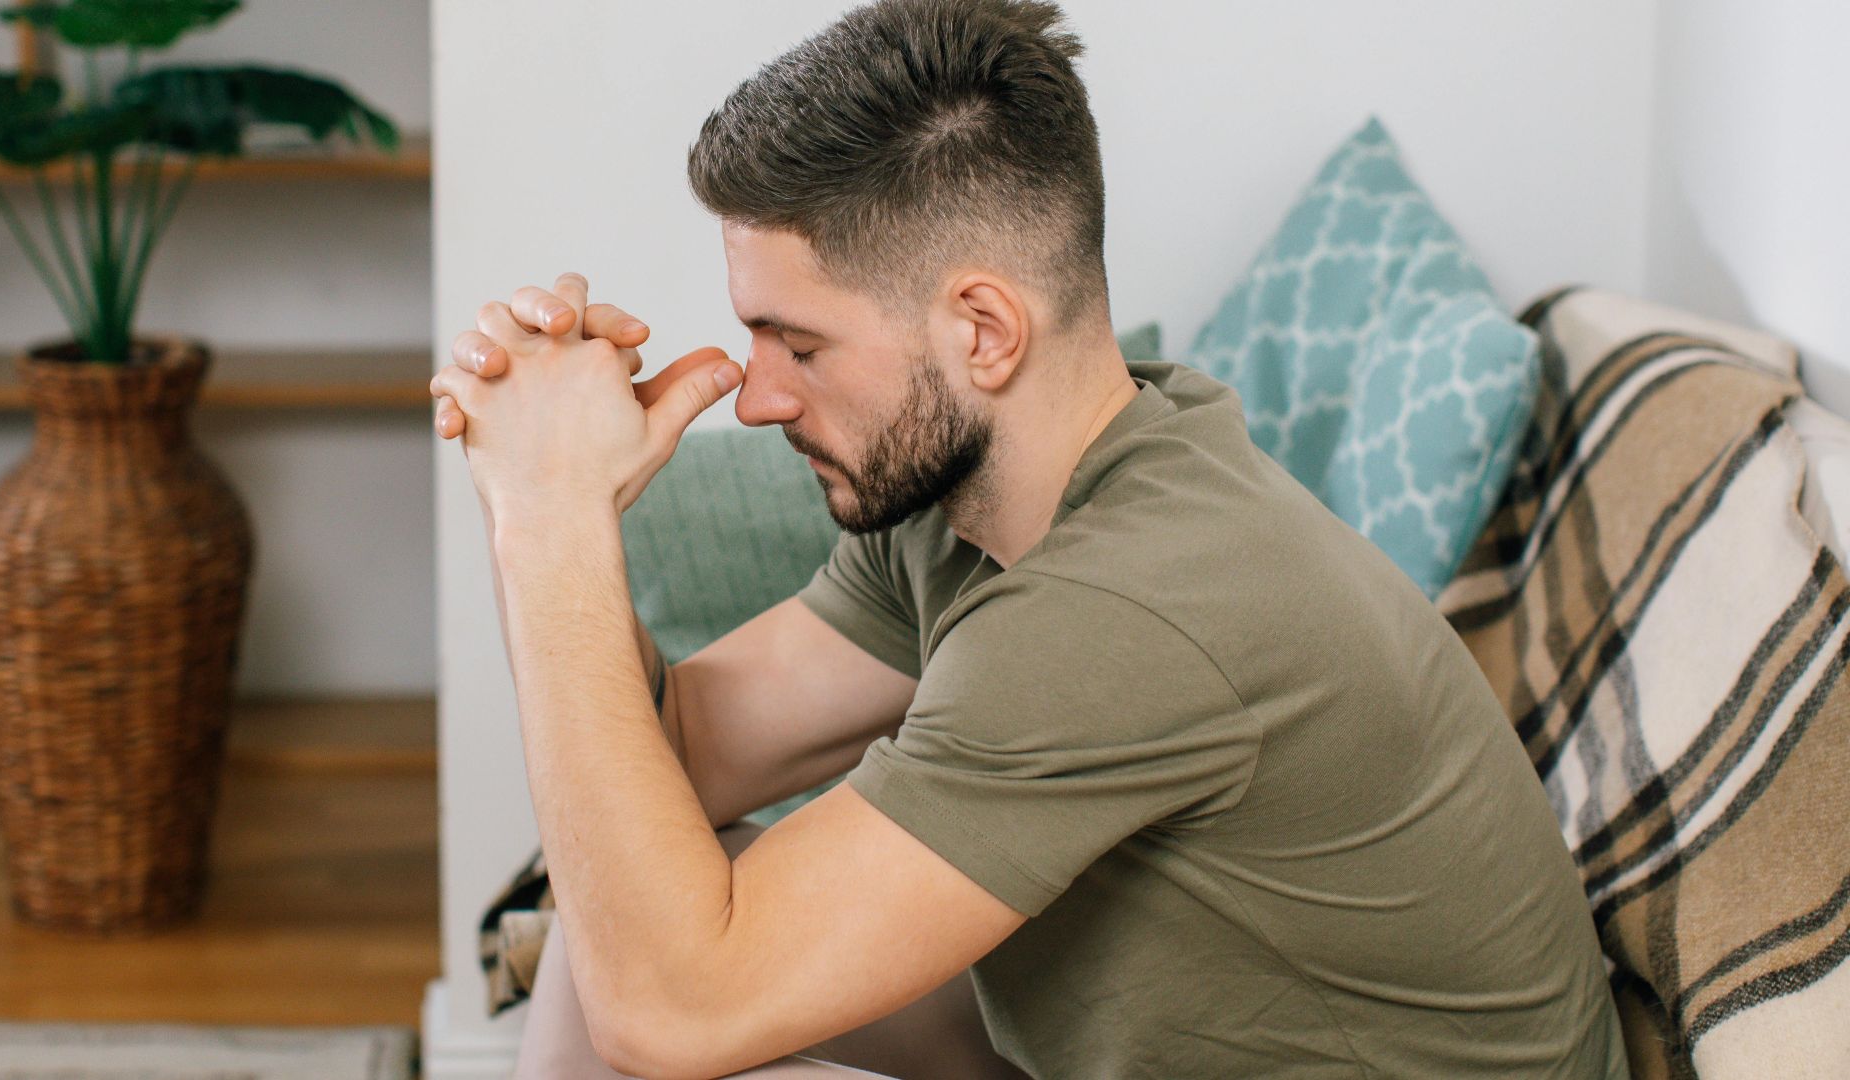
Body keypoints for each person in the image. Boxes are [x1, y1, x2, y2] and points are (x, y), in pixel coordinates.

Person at [428, 0, 1630, 1076]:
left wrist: (547, 524)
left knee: (657, 986)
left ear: (985, 332)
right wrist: (550, 506)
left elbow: (671, 1012)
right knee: (623, 921)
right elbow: (678, 753)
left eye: (800, 344)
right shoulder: (1001, 495)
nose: (758, 398)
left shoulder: (1120, 610)